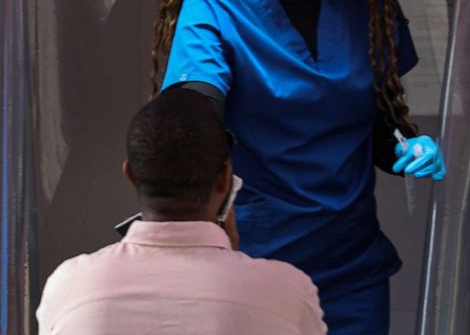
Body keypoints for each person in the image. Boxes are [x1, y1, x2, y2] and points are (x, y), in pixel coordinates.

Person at [151, 0, 447, 335]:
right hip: (253, 260)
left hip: (349, 265)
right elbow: (196, 107)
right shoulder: (214, 6)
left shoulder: (367, 6)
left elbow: (377, 122)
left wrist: (407, 144)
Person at [36, 89, 327, 334]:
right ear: (225, 178)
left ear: (131, 175)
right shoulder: (287, 293)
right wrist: (233, 258)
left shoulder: (69, 286)